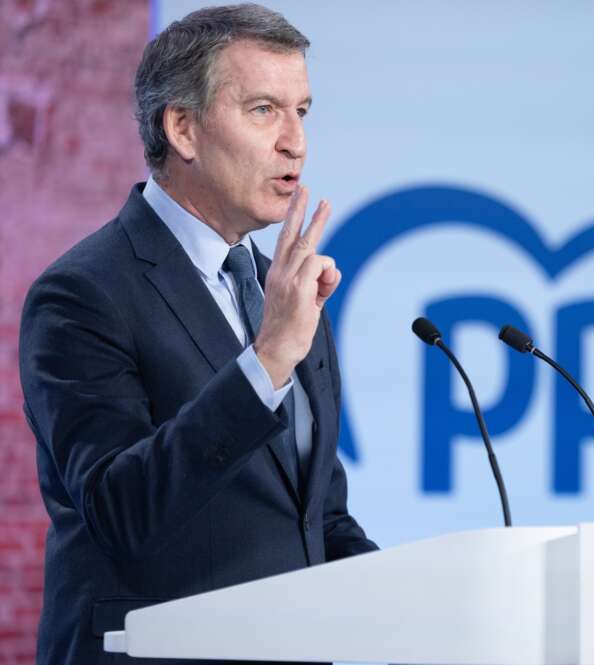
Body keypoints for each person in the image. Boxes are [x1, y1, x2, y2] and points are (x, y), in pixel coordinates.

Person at [18, 5, 377, 664]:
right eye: (265, 109)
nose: (296, 141)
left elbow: (315, 516)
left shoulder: (283, 291)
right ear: (182, 128)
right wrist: (266, 360)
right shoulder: (81, 295)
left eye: (303, 110)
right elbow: (122, 510)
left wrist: (424, 598)